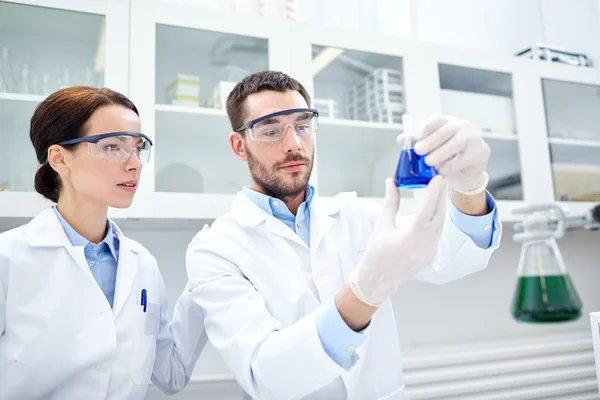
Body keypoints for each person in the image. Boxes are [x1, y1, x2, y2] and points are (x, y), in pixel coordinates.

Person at [185, 71, 502, 400]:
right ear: (239, 145)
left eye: (303, 125)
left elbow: (453, 259)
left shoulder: (355, 215)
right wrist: (364, 293)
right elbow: (266, 373)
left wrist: (470, 185)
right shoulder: (214, 250)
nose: (293, 144)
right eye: (270, 130)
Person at [0, 87, 207, 400]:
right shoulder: (9, 259)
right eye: (112, 147)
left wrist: (206, 280)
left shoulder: (142, 264)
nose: (134, 163)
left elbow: (170, 375)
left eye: (138, 148)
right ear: (59, 158)